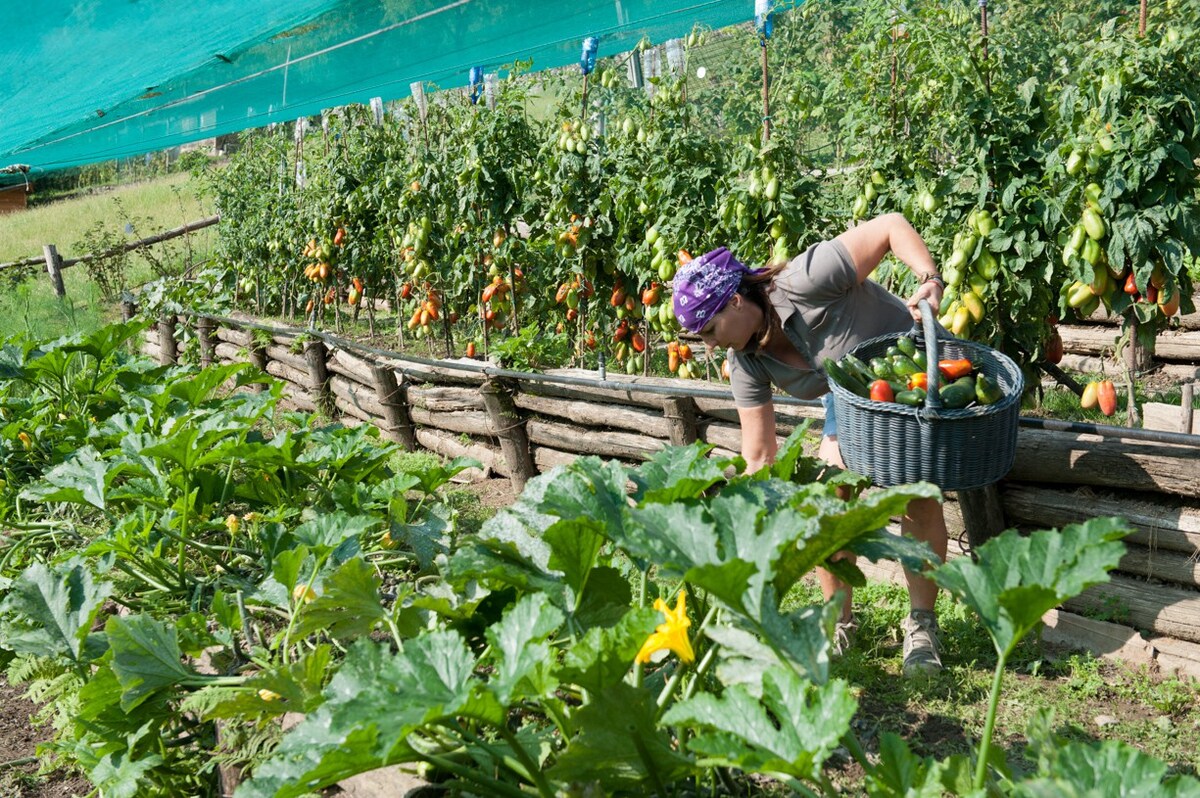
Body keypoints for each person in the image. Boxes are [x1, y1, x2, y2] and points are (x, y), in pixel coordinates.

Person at [671, 212, 949, 676]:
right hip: (855, 396)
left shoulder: (807, 277)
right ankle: (838, 622)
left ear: (736, 302)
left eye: (711, 332)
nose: (711, 346)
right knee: (828, 497)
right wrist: (737, 512)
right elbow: (758, 455)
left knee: (918, 493)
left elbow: (889, 226)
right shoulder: (746, 363)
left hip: (911, 368)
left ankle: (922, 626)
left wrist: (930, 278)